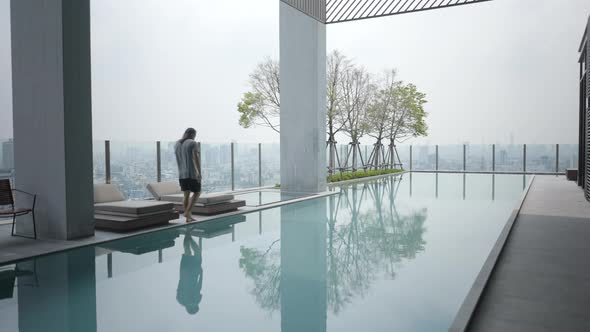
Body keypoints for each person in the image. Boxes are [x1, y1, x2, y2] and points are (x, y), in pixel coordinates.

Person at [174, 128, 202, 222]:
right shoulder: (193, 143)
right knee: (197, 192)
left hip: (181, 174)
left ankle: (188, 217)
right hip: (191, 173)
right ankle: (187, 212)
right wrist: (199, 172)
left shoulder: (177, 143)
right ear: (192, 134)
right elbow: (195, 158)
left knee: (186, 195)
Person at [176, 229, 203, 315]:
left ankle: (188, 235)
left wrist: (201, 273)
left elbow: (199, 286)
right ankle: (188, 235)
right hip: (186, 273)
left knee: (195, 252)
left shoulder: (195, 300)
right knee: (188, 251)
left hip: (192, 273)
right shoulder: (180, 300)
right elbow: (180, 285)